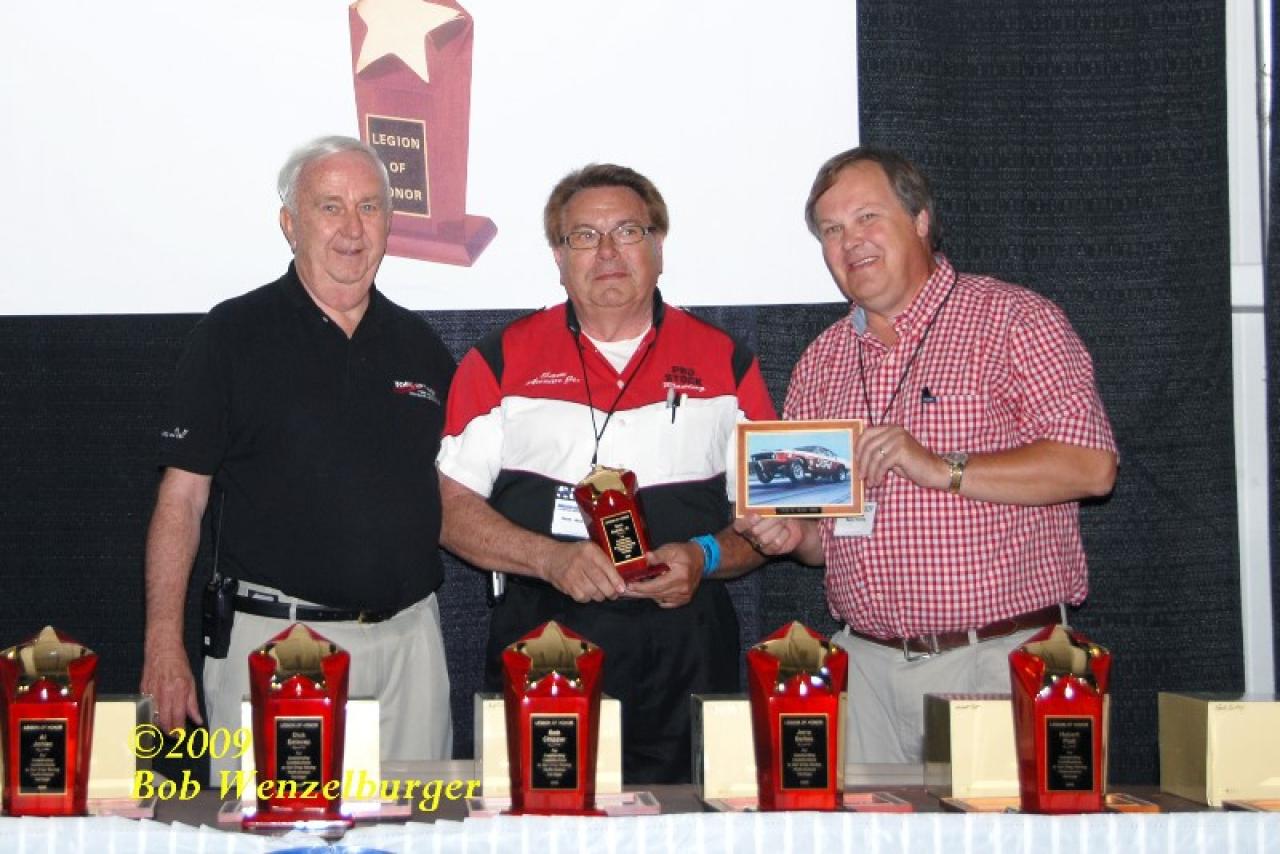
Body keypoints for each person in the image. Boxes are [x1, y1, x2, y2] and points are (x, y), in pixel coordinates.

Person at [736, 146, 1118, 765]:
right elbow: (819, 540)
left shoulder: (1014, 319)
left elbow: (1093, 467)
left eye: (867, 217)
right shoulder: (821, 361)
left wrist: (941, 467)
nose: (849, 241)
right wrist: (786, 535)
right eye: (831, 230)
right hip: (863, 670)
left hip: (999, 663)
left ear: (920, 220)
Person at [438, 163, 777, 783]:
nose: (608, 252)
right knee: (538, 823)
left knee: (687, 826)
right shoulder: (498, 360)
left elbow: (770, 526)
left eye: (627, 231)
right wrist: (550, 559)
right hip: (545, 645)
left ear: (659, 247)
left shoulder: (728, 362)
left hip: (686, 650)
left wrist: (704, 556)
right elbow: (448, 511)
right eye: (584, 237)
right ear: (558, 257)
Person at [140, 136, 455, 782]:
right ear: (290, 223)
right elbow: (182, 499)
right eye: (330, 207)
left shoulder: (421, 347)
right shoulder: (230, 337)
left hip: (411, 650)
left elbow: (454, 497)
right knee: (275, 831)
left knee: (419, 829)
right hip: (281, 646)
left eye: (369, 207)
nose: (352, 228)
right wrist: (163, 643)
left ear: (389, 224)